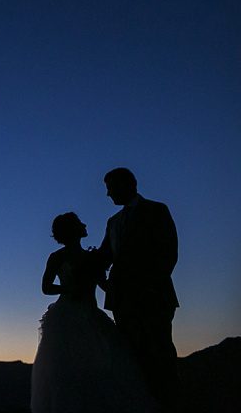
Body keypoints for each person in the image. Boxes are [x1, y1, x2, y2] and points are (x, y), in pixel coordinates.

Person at [31, 212, 154, 413]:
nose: (84, 225)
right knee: (67, 370)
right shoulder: (57, 257)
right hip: (66, 317)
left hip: (91, 314)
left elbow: (104, 285)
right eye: (79, 224)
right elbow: (46, 288)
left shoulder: (92, 258)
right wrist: (68, 288)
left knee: (103, 367)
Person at [98, 167, 179, 410]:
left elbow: (168, 253)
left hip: (153, 298)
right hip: (122, 301)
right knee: (132, 358)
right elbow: (105, 257)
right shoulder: (113, 222)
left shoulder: (156, 210)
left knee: (160, 355)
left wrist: (151, 287)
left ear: (129, 184)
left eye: (111, 188)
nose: (108, 195)